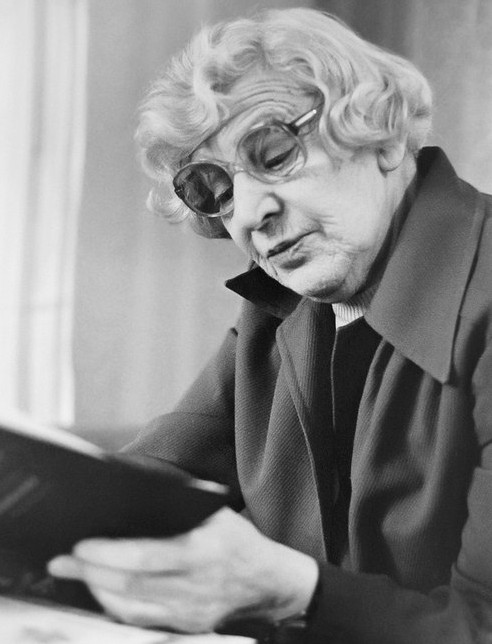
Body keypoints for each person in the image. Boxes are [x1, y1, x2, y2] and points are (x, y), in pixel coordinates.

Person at [48, 7, 492, 643]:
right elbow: (144, 483)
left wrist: (292, 590)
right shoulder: (280, 311)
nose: (249, 214)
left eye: (276, 154)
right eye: (215, 190)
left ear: (386, 138)